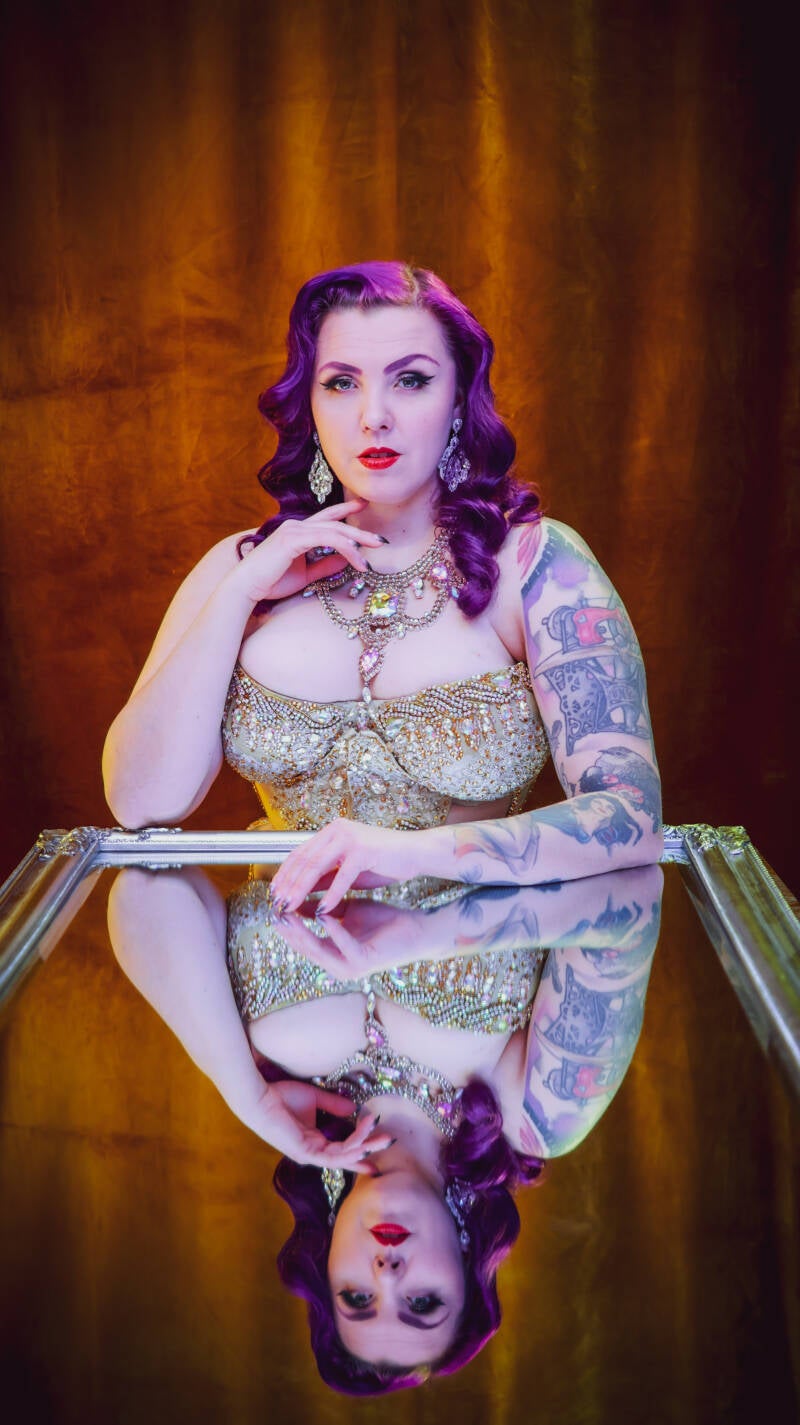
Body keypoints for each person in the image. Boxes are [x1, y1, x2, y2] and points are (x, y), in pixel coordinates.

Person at [102, 260, 663, 902]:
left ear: (459, 400)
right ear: (310, 406)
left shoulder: (535, 564)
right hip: (276, 948)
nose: (374, 416)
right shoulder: (242, 568)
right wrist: (237, 595)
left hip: (473, 952)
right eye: (341, 383)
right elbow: (140, 804)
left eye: (412, 380)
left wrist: (407, 853)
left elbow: (631, 818)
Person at [108, 864, 662, 1393]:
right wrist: (430, 922)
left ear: (327, 1263)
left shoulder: (270, 1076)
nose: (387, 1273)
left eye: (356, 1297)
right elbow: (630, 896)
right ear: (467, 1264)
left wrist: (246, 1094)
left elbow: (145, 886)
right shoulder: (537, 1113)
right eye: (423, 1303)